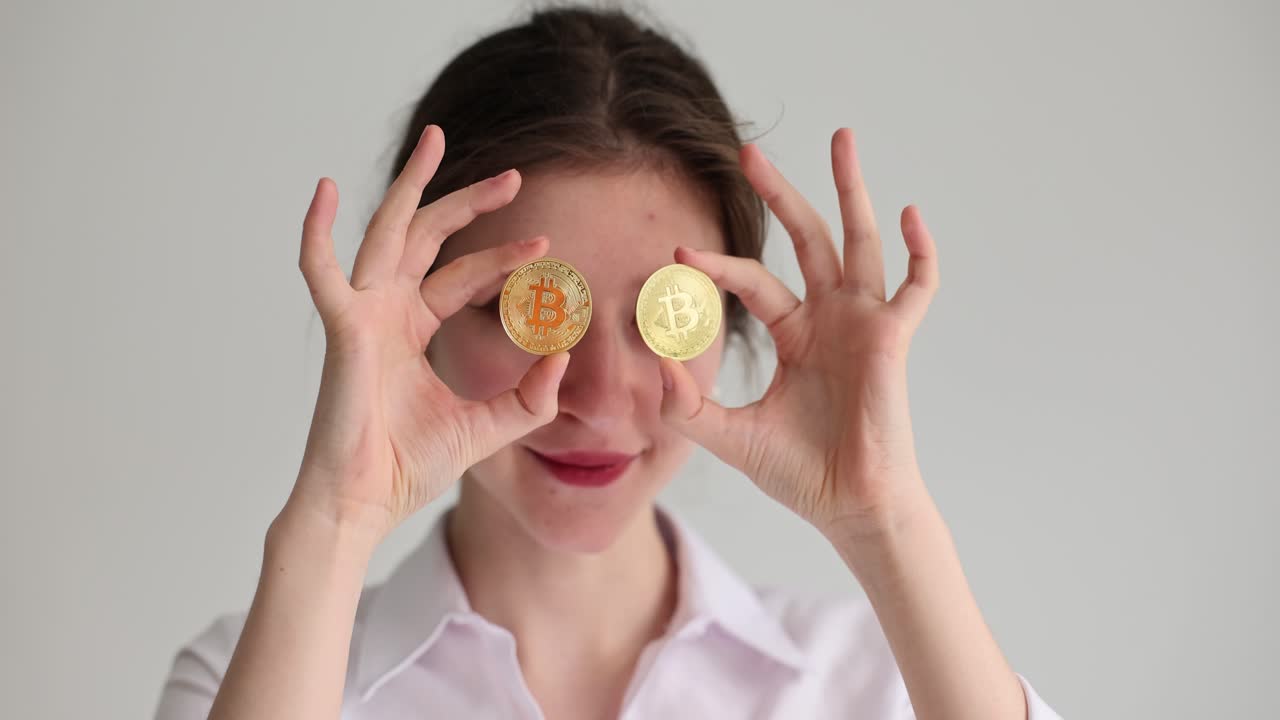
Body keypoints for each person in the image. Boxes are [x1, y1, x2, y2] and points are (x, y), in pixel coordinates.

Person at [154, 5, 1063, 719]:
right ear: (417, 323)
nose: (595, 397)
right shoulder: (250, 679)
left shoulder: (876, 686)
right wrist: (337, 518)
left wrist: (886, 520)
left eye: (668, 316)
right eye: (531, 310)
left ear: (733, 324)